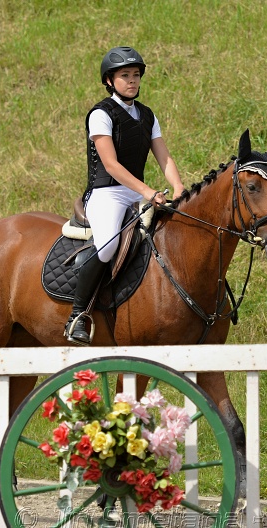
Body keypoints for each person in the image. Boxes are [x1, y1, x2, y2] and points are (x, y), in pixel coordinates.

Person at [64, 46, 186, 345]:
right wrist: (148, 192)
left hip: (136, 195)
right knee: (107, 247)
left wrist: (180, 188)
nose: (132, 81)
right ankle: (77, 315)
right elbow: (111, 164)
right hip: (107, 194)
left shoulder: (147, 115)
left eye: (135, 75)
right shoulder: (100, 114)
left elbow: (164, 158)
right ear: (109, 80)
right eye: (124, 76)